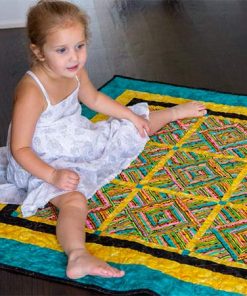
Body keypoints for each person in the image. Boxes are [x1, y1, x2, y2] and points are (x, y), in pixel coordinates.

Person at [0, 0, 206, 280]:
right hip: (40, 160)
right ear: (38, 51)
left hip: (75, 137)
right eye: (62, 50)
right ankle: (78, 254)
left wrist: (131, 117)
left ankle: (168, 114)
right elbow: (20, 148)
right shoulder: (31, 91)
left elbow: (94, 99)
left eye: (80, 46)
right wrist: (53, 174)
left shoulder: (74, 70)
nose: (74, 57)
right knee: (73, 200)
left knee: (130, 126)